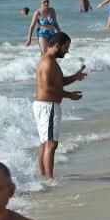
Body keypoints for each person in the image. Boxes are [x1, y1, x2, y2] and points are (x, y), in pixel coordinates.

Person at [33, 32, 86, 180]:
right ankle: (49, 179)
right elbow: (47, 88)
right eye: (66, 47)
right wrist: (70, 96)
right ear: (57, 46)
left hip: (45, 105)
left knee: (45, 143)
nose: (67, 51)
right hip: (47, 106)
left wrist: (75, 77)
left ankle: (44, 177)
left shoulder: (49, 61)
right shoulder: (48, 62)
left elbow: (58, 82)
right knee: (50, 144)